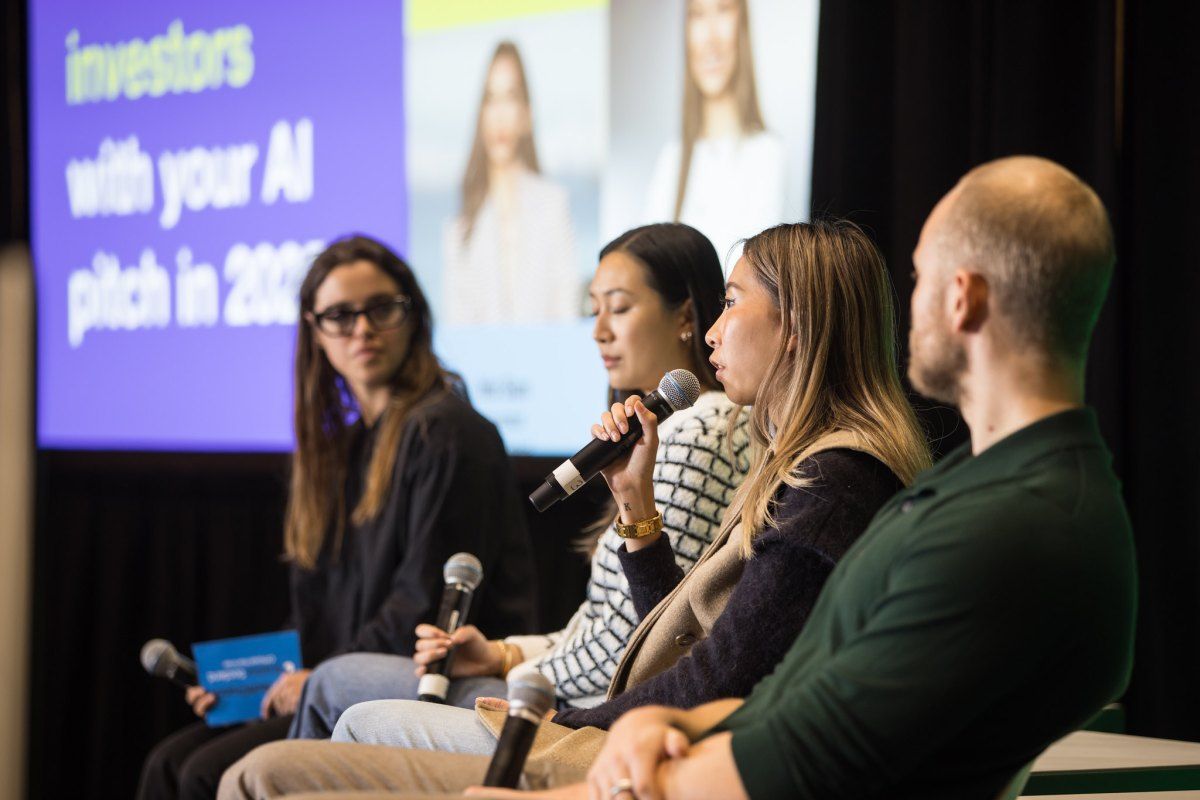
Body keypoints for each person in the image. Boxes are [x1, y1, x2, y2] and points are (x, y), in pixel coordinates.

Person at [469, 155, 1136, 799]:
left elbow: (803, 750)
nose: (907, 305)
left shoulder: (995, 522)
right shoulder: (999, 491)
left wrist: (577, 737)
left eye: (919, 277)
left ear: (962, 298)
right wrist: (668, 720)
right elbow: (787, 692)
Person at [217, 219, 933, 799]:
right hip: (632, 727)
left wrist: (552, 716)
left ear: (799, 323)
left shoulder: (832, 480)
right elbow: (677, 640)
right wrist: (635, 503)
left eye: (734, 302)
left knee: (332, 727)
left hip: (657, 754)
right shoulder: (797, 467)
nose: (714, 331)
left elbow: (718, 678)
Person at [285, 223, 750, 741]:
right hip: (578, 689)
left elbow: (647, 639)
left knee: (333, 687)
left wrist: (520, 674)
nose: (598, 331)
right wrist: (503, 653)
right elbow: (606, 621)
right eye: (592, 309)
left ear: (686, 313)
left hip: (593, 712)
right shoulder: (673, 430)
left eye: (617, 308)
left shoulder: (699, 430)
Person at [136, 235, 537, 800]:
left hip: (420, 688)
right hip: (335, 679)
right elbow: (318, 614)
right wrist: (246, 687)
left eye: (381, 309)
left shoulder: (449, 433)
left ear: (412, 314)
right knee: (167, 762)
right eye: (339, 316)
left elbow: (420, 606)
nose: (362, 329)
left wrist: (313, 681)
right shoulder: (341, 450)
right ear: (315, 329)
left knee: (204, 774)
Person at [444, 41, 578, 325]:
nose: (500, 115)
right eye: (491, 99)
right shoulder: (460, 227)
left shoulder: (553, 204)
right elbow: (458, 326)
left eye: (511, 97)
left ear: (527, 113)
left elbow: (566, 310)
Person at [644, 0, 786, 262]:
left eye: (723, 10)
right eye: (697, 15)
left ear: (741, 22)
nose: (710, 38)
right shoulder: (671, 159)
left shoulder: (766, 154)